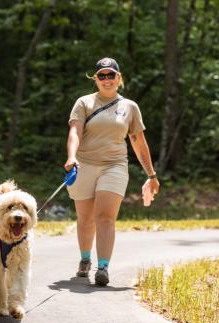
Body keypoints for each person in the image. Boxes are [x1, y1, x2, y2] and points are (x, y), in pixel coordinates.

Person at [64, 57, 159, 286]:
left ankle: (103, 267)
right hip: (84, 164)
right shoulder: (84, 102)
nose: (107, 79)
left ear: (119, 78)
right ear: (95, 79)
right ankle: (85, 259)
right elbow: (75, 132)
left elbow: (138, 141)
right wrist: (71, 157)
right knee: (85, 219)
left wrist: (151, 175)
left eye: (111, 75)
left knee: (105, 217)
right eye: (102, 75)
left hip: (114, 166)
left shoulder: (130, 107)